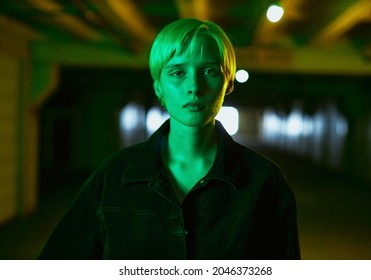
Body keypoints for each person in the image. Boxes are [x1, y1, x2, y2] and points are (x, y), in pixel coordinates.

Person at [38, 18, 300, 260]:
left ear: (228, 82)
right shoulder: (113, 177)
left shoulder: (265, 181)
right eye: (177, 72)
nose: (194, 87)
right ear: (158, 85)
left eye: (209, 71)